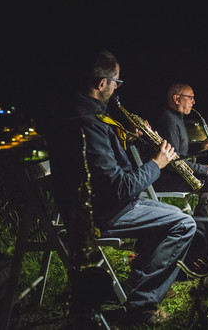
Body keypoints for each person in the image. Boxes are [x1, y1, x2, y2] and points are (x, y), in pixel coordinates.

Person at [44, 49, 196, 325]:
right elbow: (118, 187)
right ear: (101, 83)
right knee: (184, 224)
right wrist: (157, 162)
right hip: (101, 212)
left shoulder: (76, 113)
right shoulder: (88, 122)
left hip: (103, 204)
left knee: (167, 220)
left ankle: (141, 286)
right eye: (116, 82)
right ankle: (142, 305)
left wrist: (125, 141)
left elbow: (104, 169)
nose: (116, 88)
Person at [153, 83, 208, 217]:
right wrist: (206, 169)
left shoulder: (176, 118)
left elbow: (180, 149)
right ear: (177, 99)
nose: (194, 102)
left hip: (176, 173)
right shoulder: (168, 121)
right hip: (167, 178)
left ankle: (206, 219)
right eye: (190, 97)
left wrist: (202, 147)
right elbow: (173, 162)